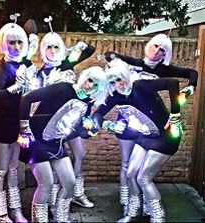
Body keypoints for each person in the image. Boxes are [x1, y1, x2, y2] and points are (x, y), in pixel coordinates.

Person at [99, 33, 198, 221]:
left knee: (143, 178)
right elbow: (110, 56)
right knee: (130, 171)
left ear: (165, 55)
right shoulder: (130, 73)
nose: (156, 52)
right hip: (135, 126)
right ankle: (131, 208)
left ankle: (153, 212)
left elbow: (185, 77)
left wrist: (187, 93)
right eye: (155, 46)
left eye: (162, 50)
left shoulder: (155, 76)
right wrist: (104, 123)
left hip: (160, 128)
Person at [17, 66, 107, 222]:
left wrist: (90, 131)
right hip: (36, 141)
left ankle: (61, 218)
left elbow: (77, 129)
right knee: (46, 183)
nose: (90, 85)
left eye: (96, 84)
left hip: (56, 144)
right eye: (90, 80)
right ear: (84, 77)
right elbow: (27, 98)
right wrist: (25, 130)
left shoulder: (87, 102)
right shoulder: (63, 88)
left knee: (70, 183)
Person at [35, 23, 96, 210]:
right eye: (49, 47)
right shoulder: (37, 73)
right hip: (51, 124)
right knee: (55, 161)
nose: (52, 51)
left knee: (80, 153)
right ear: (43, 49)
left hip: (71, 120)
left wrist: (74, 49)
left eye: (56, 47)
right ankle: (54, 200)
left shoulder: (66, 63)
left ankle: (77, 193)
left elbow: (91, 49)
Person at [0, 15, 38, 222]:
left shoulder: (23, 62)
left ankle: (15, 210)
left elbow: (32, 26)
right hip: (2, 124)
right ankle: (0, 213)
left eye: (19, 42)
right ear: (4, 44)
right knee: (0, 170)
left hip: (18, 123)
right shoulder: (3, 68)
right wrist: (11, 89)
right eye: (11, 42)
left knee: (14, 168)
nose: (16, 46)